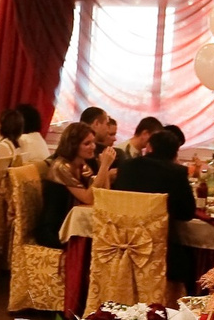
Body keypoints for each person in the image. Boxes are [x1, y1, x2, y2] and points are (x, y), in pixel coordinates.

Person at [109, 127, 196, 284]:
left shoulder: (126, 167)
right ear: (175, 153)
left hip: (121, 242)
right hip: (159, 248)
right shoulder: (177, 173)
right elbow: (187, 213)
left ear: (149, 147)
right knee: (190, 257)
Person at [34, 122, 97, 248]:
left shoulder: (83, 166)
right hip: (54, 230)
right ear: (73, 145)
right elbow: (88, 198)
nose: (93, 147)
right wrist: (104, 167)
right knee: (92, 246)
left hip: (71, 224)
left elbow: (101, 193)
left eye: (93, 142)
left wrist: (105, 171)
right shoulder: (61, 167)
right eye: (87, 143)